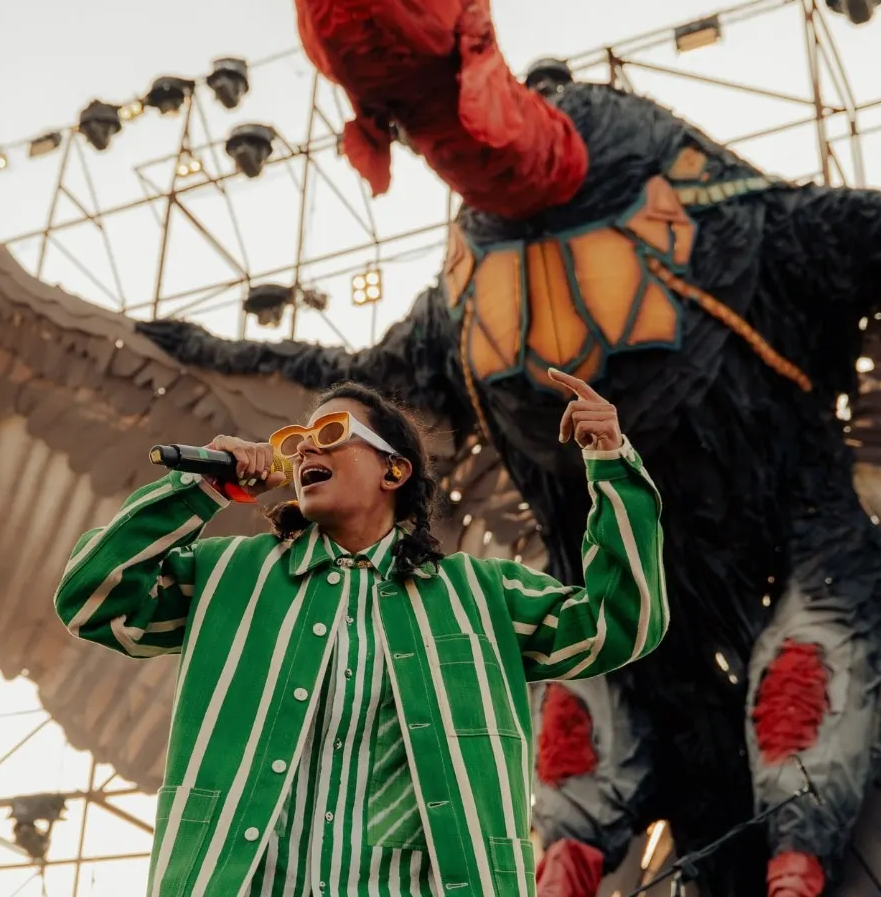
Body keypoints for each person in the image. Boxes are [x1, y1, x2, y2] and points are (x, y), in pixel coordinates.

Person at [54, 370, 666, 897]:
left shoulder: (479, 596)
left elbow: (620, 623)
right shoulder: (231, 578)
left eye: (329, 435)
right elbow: (92, 598)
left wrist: (611, 464)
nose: (302, 450)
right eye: (297, 441)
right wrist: (202, 490)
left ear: (394, 470)